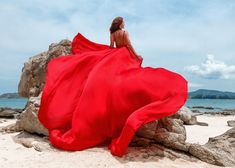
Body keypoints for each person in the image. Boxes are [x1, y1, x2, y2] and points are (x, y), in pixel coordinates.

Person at [38, 16, 188, 157]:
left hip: (115, 53)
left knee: (113, 76)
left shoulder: (113, 33)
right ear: (121, 24)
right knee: (127, 74)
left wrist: (105, 56)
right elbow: (129, 45)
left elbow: (111, 46)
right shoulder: (124, 33)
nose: (124, 24)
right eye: (123, 22)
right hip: (125, 53)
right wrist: (136, 55)